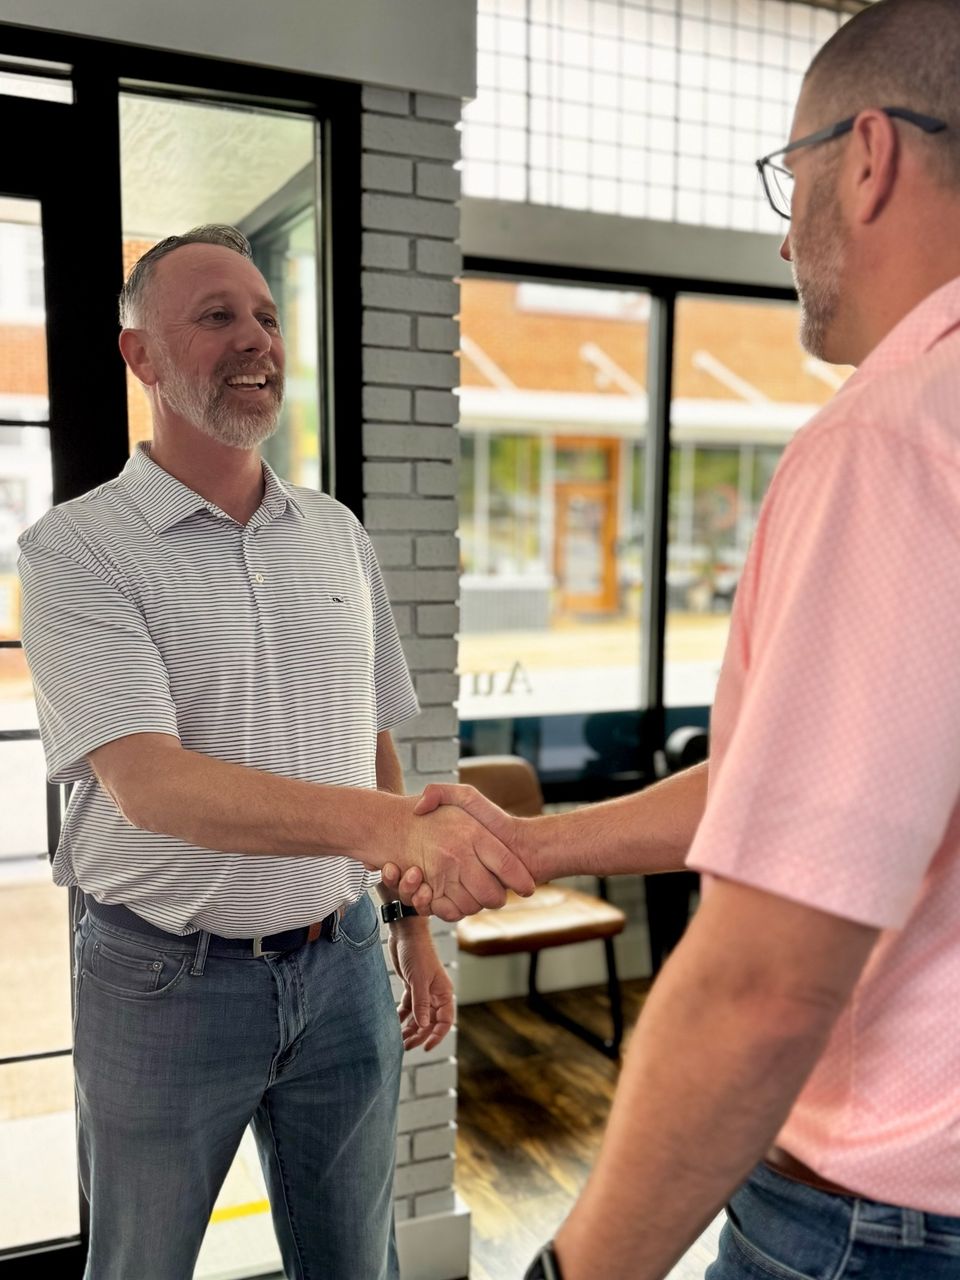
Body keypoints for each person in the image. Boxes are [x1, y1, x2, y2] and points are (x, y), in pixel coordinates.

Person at [384, 2, 960, 1276]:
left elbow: (766, 984)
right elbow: (811, 791)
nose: (783, 224)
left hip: (884, 1227)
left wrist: (575, 1267)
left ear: (867, 158)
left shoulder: (895, 437)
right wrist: (535, 844)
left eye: (792, 173)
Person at [17, 224, 534, 1280]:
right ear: (142, 359)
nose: (255, 339)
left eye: (265, 314)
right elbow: (150, 784)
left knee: (358, 1263)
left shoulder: (338, 532)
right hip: (162, 978)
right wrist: (400, 830)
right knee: (138, 1264)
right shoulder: (73, 549)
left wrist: (407, 921)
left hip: (342, 963)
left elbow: (369, 737)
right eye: (215, 316)